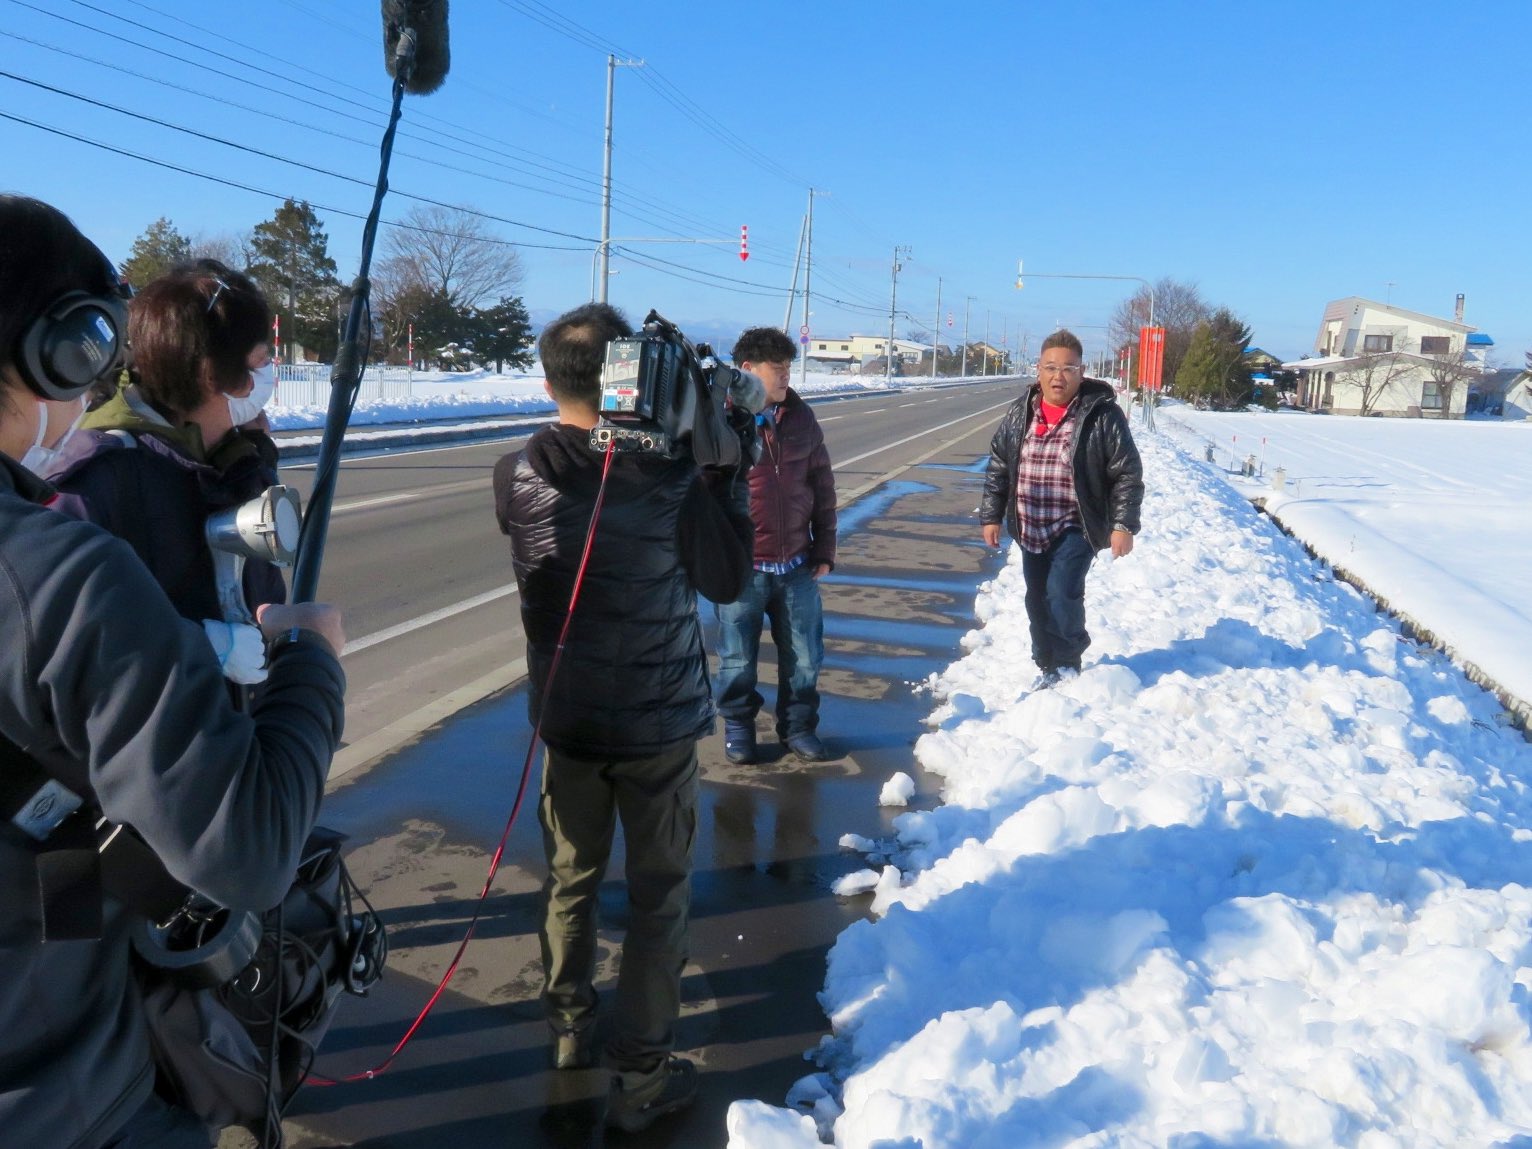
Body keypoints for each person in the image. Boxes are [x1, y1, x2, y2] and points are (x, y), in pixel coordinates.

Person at [0, 194, 346, 1149]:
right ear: (61, 351)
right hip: (68, 1064)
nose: (270, 380)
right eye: (260, 364)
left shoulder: (224, 460)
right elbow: (243, 840)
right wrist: (308, 662)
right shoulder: (79, 511)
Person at [493, 302, 752, 1133]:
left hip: (567, 718)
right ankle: (640, 1074)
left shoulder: (518, 471)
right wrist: (720, 465)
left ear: (548, 381)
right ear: (632, 378)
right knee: (657, 896)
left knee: (571, 876)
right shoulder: (674, 476)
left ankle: (570, 1025)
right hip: (657, 725)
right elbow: (727, 578)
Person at [45, 262, 284, 682]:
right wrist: (189, 647)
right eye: (262, 360)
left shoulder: (234, 456)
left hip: (237, 729)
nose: (267, 377)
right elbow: (57, 647)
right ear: (213, 375)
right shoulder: (97, 480)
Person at [979, 329, 1144, 686]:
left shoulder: (1102, 415)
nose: (1059, 376)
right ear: (1038, 370)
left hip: (1075, 525)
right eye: (1051, 367)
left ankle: (1067, 661)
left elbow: (1127, 472)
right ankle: (1045, 660)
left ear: (1081, 373)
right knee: (1036, 597)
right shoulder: (1020, 411)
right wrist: (991, 515)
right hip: (1029, 524)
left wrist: (1123, 525)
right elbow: (999, 464)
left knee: (1061, 592)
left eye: (1069, 368)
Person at [713, 326, 837, 764]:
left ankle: (799, 728)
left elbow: (821, 484)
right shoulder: (721, 421)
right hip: (744, 568)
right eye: (777, 369)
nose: (787, 377)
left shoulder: (802, 417)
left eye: (789, 368)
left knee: (805, 657)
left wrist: (824, 548)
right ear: (747, 370)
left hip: (798, 565)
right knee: (736, 660)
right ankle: (739, 729)